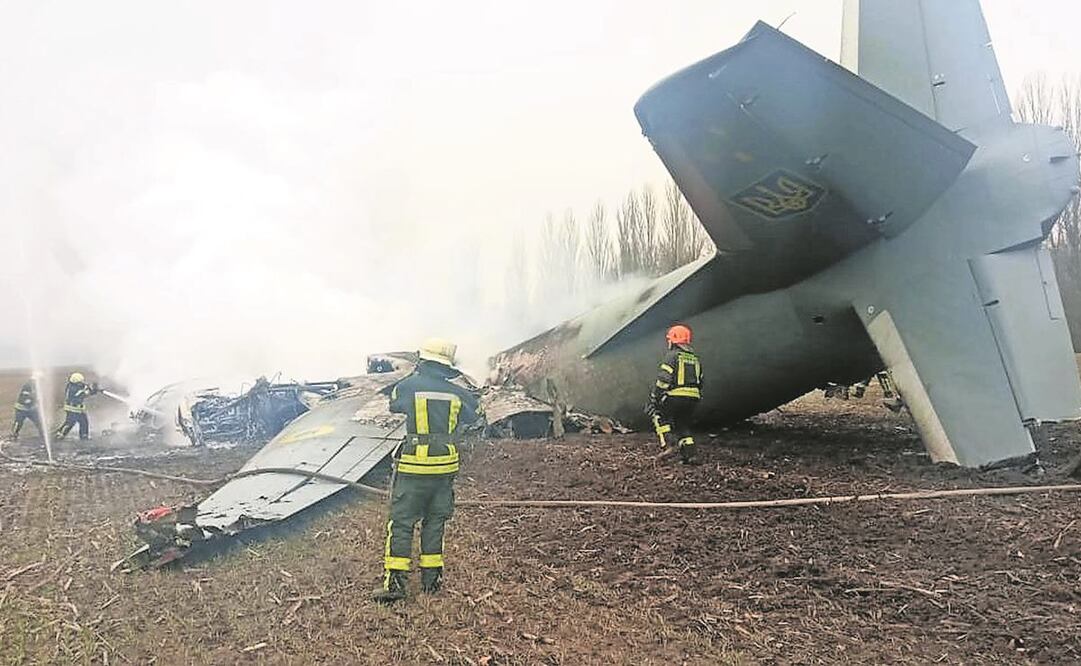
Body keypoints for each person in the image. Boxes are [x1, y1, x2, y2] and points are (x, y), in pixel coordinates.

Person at [372, 338, 480, 604]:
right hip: (444, 470)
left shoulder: (408, 386)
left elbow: (393, 403)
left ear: (423, 360)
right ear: (447, 367)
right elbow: (475, 414)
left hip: (414, 469)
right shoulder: (459, 394)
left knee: (401, 523)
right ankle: (432, 582)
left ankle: (395, 584)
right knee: (435, 523)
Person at [648, 324, 703, 464]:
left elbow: (663, 379)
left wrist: (655, 397)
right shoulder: (695, 358)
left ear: (673, 341)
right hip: (693, 398)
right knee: (682, 424)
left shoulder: (672, 356)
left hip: (675, 396)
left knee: (659, 416)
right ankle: (690, 455)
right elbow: (701, 380)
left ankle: (668, 445)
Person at [55, 372, 98, 441]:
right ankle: (59, 434)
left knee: (83, 422)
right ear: (76, 382)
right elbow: (82, 394)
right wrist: (91, 391)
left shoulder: (73, 386)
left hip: (77, 409)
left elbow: (84, 389)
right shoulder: (73, 389)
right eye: (80, 382)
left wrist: (92, 389)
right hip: (72, 409)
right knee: (70, 423)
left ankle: (84, 436)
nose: (82, 383)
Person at [10, 376, 43, 440]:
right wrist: (33, 400)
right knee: (19, 423)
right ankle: (14, 435)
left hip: (31, 409)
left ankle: (43, 434)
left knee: (39, 422)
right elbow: (25, 399)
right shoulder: (27, 386)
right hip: (21, 409)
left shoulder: (36, 386)